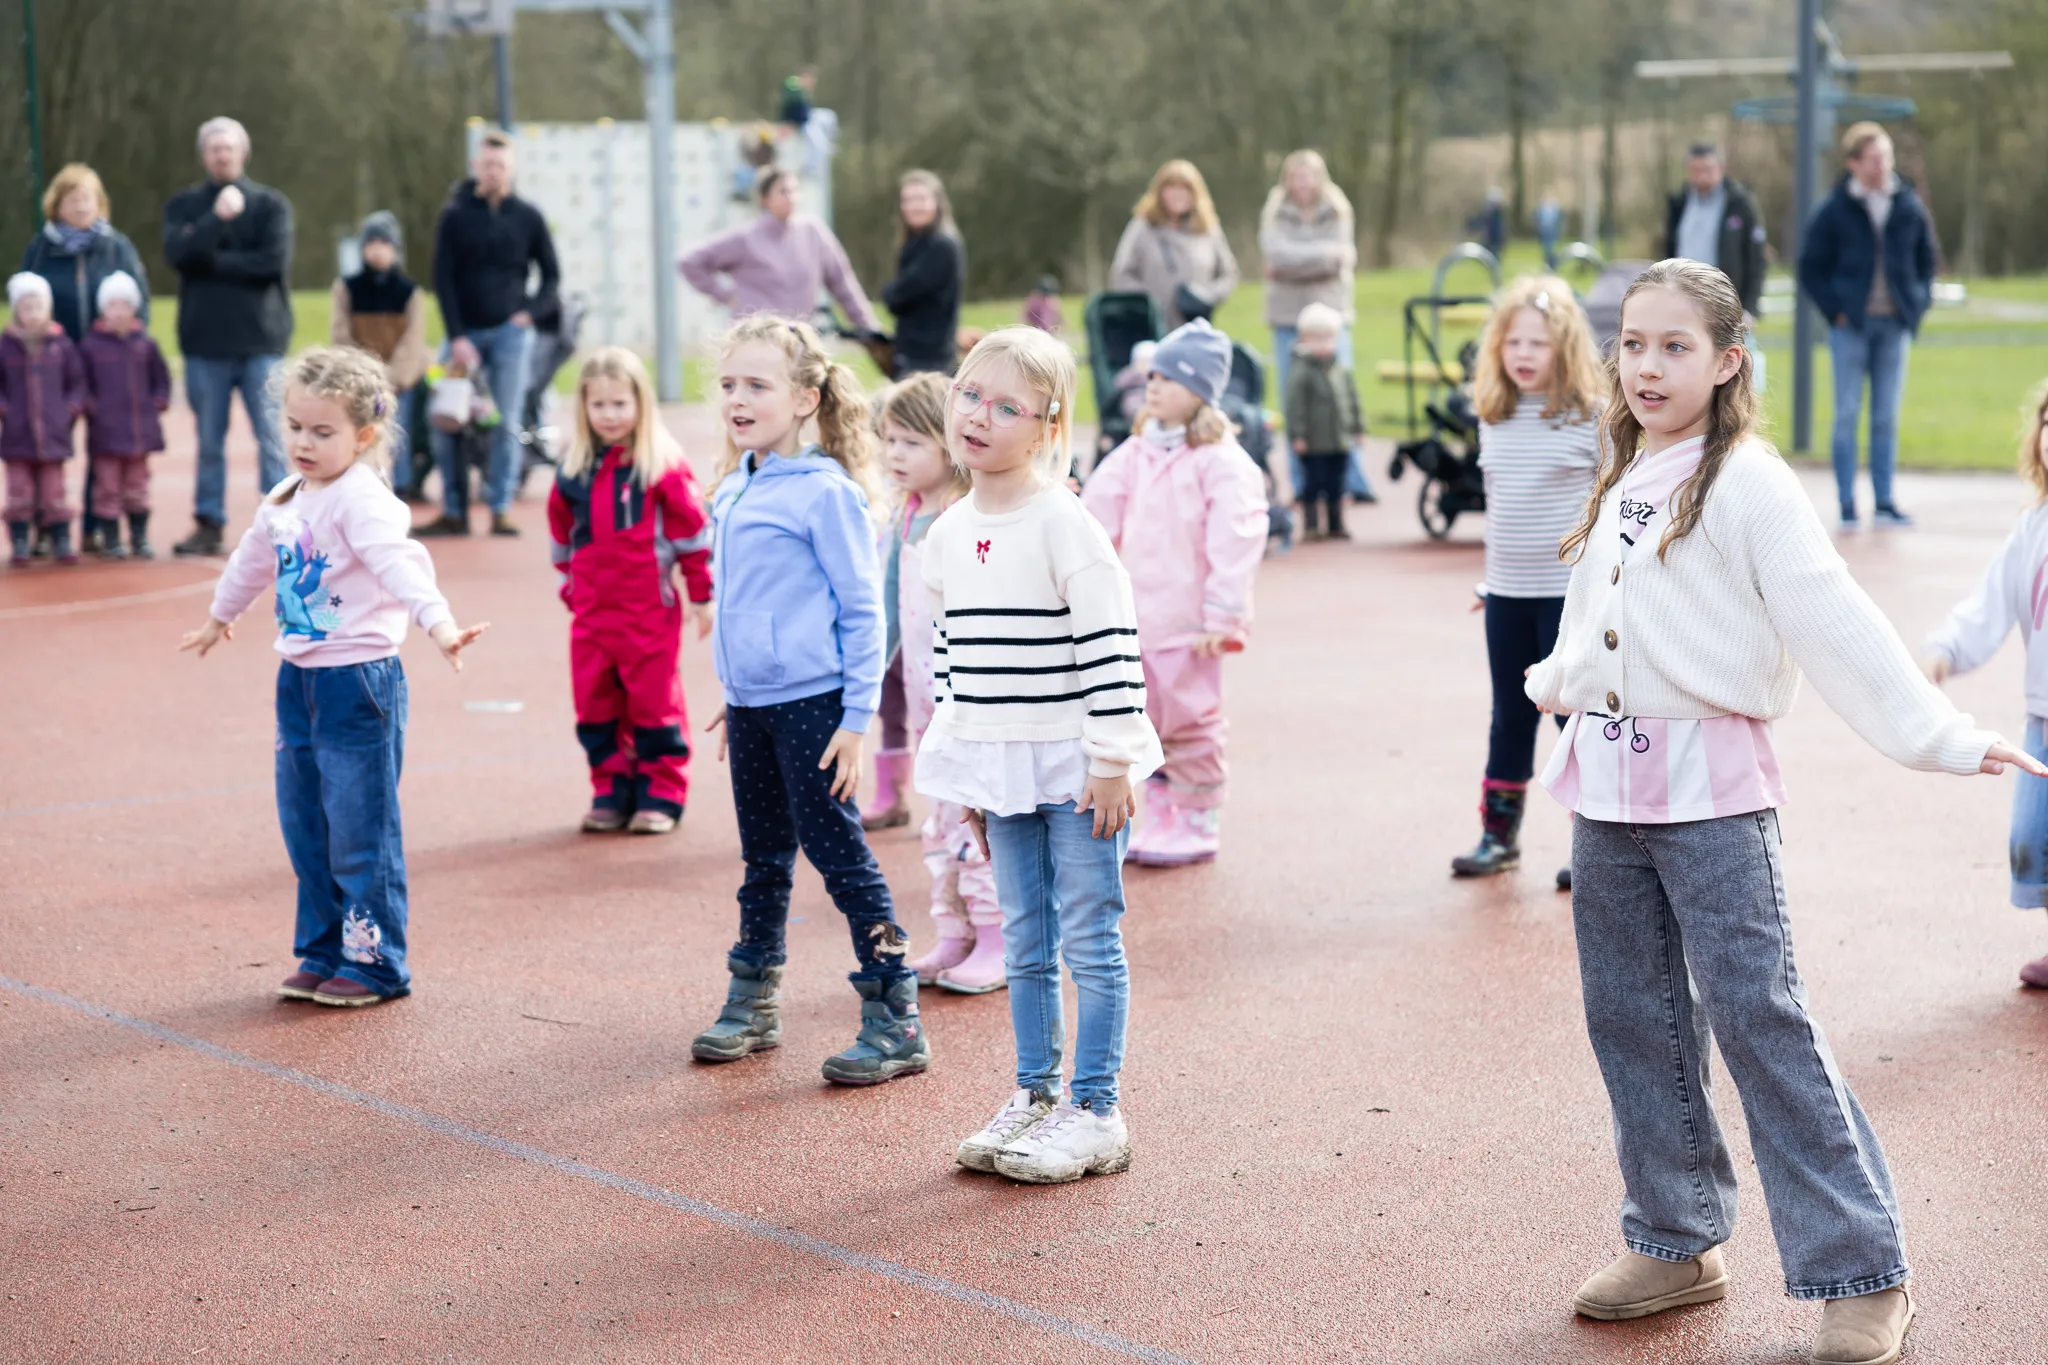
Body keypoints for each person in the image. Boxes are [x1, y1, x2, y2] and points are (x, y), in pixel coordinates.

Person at [1527, 259, 2042, 1365]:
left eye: (1673, 347)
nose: (1647, 365)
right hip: (1605, 792)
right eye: (1631, 343)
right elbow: (1601, 619)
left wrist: (1940, 736)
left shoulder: (1747, 481)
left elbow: (1830, 618)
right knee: (1628, 1016)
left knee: (1760, 1019)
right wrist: (1555, 678)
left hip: (1710, 798)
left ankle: (1863, 1270)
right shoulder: (1625, 475)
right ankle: (1674, 1238)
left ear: (1725, 363)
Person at [918, 327, 1162, 1183]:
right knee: (1024, 937)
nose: (979, 415)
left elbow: (1111, 648)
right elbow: (955, 664)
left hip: (1076, 767)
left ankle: (1096, 1108)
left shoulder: (1066, 526)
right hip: (1004, 768)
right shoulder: (947, 532)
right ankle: (1034, 1093)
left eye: (1006, 406)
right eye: (969, 394)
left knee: (1089, 936)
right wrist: (973, 780)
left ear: (1048, 425)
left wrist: (1110, 759)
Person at [181, 347, 488, 1008]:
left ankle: (376, 960)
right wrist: (218, 616)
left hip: (358, 683)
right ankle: (324, 948)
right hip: (298, 680)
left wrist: (439, 624)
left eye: (323, 432)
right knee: (306, 822)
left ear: (363, 435)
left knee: (359, 827)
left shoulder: (362, 500)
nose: (303, 442)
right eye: (294, 426)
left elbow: (402, 564)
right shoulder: (287, 494)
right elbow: (251, 558)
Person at [690, 314, 928, 1086]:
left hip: (816, 708)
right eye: (729, 384)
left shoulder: (824, 493)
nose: (737, 397)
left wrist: (856, 721)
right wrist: (736, 691)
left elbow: (865, 613)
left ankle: (895, 1013)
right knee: (763, 858)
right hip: (755, 707)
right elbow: (741, 605)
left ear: (804, 397)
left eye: (756, 384)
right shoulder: (736, 485)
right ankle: (754, 998)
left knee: (840, 856)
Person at [1081, 319, 1266, 867]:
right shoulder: (1136, 452)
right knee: (1143, 722)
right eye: (1151, 376)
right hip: (1136, 620)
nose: (1152, 386)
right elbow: (1096, 514)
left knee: (1191, 722)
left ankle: (1198, 817)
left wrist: (1223, 616)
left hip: (1188, 624)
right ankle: (1159, 812)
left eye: (1168, 378)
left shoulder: (1222, 463)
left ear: (1200, 391)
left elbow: (1235, 539)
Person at [1450, 275, 1602, 887]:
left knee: (1574, 718)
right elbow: (1500, 502)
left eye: (1537, 343)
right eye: (1513, 342)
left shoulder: (1589, 418)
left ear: (1563, 349)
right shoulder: (1495, 416)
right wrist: (1489, 583)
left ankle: (1594, 842)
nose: (1523, 354)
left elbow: (1608, 501)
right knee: (1509, 715)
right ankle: (1499, 835)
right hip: (1507, 593)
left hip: (1567, 597)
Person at [860, 375, 1001, 993]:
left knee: (978, 819)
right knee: (940, 820)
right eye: (888, 440)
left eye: (911, 441)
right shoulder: (903, 515)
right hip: (925, 708)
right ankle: (954, 931)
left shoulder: (965, 518)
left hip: (968, 703)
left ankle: (1001, 937)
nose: (894, 455)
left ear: (949, 445)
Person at [548, 347, 713, 836]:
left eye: (620, 403)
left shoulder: (662, 468)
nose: (610, 415)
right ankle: (610, 789)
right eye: (599, 405)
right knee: (595, 704)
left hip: (648, 613)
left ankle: (661, 790)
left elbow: (692, 537)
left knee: (652, 702)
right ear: (584, 409)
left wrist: (702, 596)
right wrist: (571, 591)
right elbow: (561, 539)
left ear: (641, 404)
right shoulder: (573, 470)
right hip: (593, 615)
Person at [1922, 376, 2048, 990]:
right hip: (2043, 719)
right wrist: (1945, 651)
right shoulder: (2032, 530)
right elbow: (1987, 606)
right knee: (2033, 839)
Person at [161, 116, 293, 557]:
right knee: (210, 442)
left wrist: (214, 263)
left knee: (272, 438)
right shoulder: (184, 207)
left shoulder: (272, 205)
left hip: (262, 343)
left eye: (229, 147)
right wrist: (215, 220)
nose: (222, 155)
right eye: (214, 148)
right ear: (204, 155)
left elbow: (272, 263)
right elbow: (179, 256)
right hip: (205, 344)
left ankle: (281, 524)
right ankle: (209, 522)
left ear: (243, 152)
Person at [419, 129, 560, 539]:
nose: (493, 171)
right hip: (463, 336)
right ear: (475, 167)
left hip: (510, 337)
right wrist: (457, 336)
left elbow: (551, 277)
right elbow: (441, 279)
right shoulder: (454, 216)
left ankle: (499, 507)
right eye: (487, 164)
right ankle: (453, 510)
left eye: (501, 165)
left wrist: (529, 315)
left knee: (505, 421)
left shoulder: (528, 217)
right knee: (444, 420)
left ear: (511, 169)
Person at [1797, 122, 1937, 530]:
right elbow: (1810, 266)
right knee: (1846, 414)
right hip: (1850, 328)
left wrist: (1916, 304)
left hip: (1894, 327)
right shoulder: (1834, 208)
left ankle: (1884, 502)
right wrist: (1835, 311)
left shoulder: (1908, 204)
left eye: (1887, 157)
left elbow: (1927, 260)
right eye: (1875, 159)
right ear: (1853, 163)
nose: (1883, 166)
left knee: (1885, 416)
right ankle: (1845, 503)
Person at [20, 162, 151, 555]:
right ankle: (46, 524)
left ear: (100, 204)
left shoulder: (117, 246)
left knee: (106, 447)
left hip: (105, 364)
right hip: (51, 364)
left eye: (87, 199)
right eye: (72, 200)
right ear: (56, 205)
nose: (80, 207)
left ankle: (96, 525)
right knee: (45, 446)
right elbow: (26, 300)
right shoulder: (40, 248)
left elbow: (137, 301)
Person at [678, 169, 881, 337]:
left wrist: (868, 327)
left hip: (797, 340)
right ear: (765, 198)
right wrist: (724, 295)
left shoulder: (813, 232)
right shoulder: (746, 237)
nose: (791, 197)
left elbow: (842, 281)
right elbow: (689, 261)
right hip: (754, 340)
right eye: (783, 191)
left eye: (794, 190)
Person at [331, 212, 428, 499]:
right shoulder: (347, 288)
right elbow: (341, 335)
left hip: (399, 382)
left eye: (384, 243)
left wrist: (394, 377)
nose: (377, 249)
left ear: (395, 249)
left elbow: (413, 340)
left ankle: (405, 485)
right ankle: (362, 483)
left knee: (401, 434)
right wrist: (364, 376)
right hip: (359, 380)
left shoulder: (409, 292)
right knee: (360, 433)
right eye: (371, 242)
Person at [78, 271, 170, 560]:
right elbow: (82, 382)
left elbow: (161, 378)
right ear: (103, 310)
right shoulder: (90, 346)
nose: (119, 312)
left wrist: (158, 400)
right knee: (107, 488)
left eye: (125, 306)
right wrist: (91, 406)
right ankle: (111, 538)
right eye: (112, 306)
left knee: (137, 487)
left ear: (134, 309)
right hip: (105, 433)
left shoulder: (146, 344)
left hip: (139, 433)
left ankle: (139, 536)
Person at [1259, 151, 1356, 403]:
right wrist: (1324, 257)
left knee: (1338, 392)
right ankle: (1296, 444)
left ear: (1319, 178)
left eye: (1307, 176)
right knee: (1293, 394)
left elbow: (1343, 257)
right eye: (1295, 177)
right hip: (1287, 313)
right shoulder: (1275, 210)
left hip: (1330, 313)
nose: (1301, 183)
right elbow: (1275, 255)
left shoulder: (1336, 208)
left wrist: (1290, 266)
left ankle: (1345, 445)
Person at [2, 272, 85, 565]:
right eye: (26, 308)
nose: (33, 314)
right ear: (16, 312)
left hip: (53, 435)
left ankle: (60, 537)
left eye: (38, 307)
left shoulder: (61, 346)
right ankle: (21, 539)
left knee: (55, 491)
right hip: (17, 436)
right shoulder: (5, 346)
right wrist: (6, 409)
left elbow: (77, 383)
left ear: (48, 309)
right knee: (19, 492)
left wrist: (70, 409)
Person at [1109, 160, 1238, 332]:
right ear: (1160, 192)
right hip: (1151, 327)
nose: (1178, 195)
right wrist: (1149, 300)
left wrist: (1206, 296)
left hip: (1195, 326)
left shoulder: (1207, 228)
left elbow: (1228, 274)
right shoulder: (1143, 227)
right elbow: (1121, 275)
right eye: (1171, 188)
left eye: (1185, 188)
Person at [1283, 302, 1367, 541]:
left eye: (1329, 338)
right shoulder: (1301, 372)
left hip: (1338, 440)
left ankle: (1335, 523)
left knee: (1337, 485)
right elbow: (1295, 407)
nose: (1324, 344)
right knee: (1313, 484)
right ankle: (1310, 526)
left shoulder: (1341, 370)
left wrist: (1357, 427)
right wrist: (1298, 435)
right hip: (1313, 443)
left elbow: (1353, 400)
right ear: (1303, 340)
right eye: (1316, 338)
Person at [1664, 142, 1767, 324]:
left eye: (1707, 169)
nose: (1702, 175)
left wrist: (1750, 307)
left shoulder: (1739, 203)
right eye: (1696, 169)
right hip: (1682, 298)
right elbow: (1669, 248)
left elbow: (1756, 258)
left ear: (1721, 167)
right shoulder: (1680, 203)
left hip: (1724, 300)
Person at [880, 170, 964, 377]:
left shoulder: (943, 246)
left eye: (920, 199)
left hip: (932, 360)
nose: (913, 206)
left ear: (937, 202)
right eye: (907, 200)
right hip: (910, 354)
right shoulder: (912, 245)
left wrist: (890, 292)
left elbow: (897, 296)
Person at [1535, 195, 1565, 268]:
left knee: (1551, 248)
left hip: (1551, 231)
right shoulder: (1541, 208)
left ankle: (1552, 263)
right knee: (1546, 248)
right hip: (1544, 230)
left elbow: (1559, 220)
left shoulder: (1554, 209)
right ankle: (1548, 263)